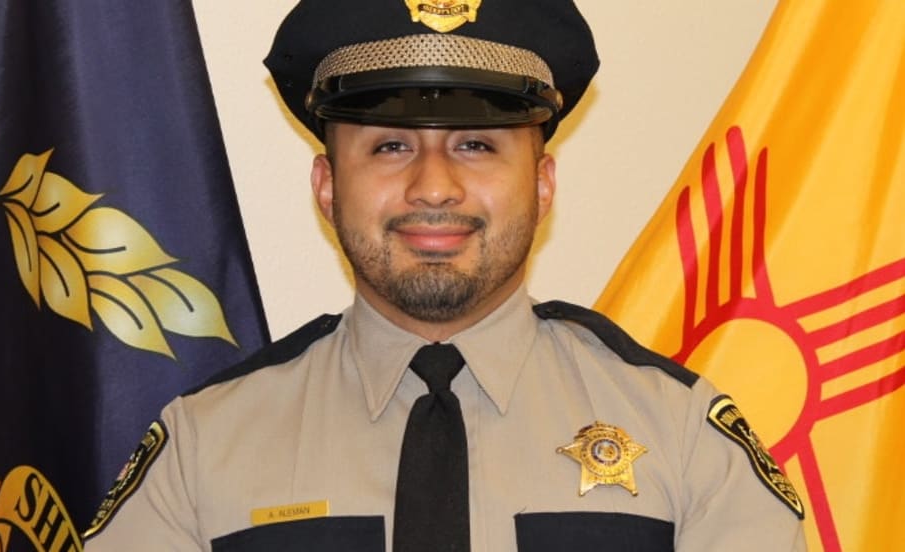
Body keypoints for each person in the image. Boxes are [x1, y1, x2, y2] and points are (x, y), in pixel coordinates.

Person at [83, 1, 807, 550]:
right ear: (328, 186)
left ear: (544, 183)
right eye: (391, 144)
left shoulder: (684, 440)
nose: (435, 186)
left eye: (477, 144)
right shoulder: (205, 447)